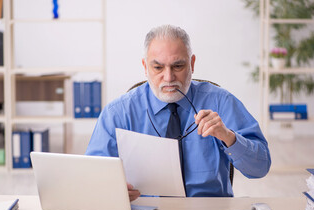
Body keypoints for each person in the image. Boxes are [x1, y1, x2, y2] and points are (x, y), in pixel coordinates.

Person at [85, 24, 271, 200]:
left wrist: (229, 137)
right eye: (158, 67)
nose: (168, 77)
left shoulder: (221, 102)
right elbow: (92, 179)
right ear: (145, 67)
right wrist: (113, 191)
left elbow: (260, 168)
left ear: (192, 63)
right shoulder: (117, 113)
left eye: (178, 66)